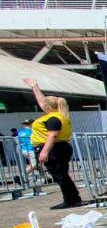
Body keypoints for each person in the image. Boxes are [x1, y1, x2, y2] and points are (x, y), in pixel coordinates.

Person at [22, 78, 84, 209]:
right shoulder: (59, 115)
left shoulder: (53, 118)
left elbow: (53, 135)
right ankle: (73, 198)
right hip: (59, 147)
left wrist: (44, 151)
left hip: (54, 149)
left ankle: (70, 200)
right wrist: (35, 88)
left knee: (60, 175)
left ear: (48, 107)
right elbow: (42, 102)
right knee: (62, 175)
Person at [17, 119, 47, 184]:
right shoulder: (32, 131)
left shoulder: (20, 131)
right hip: (31, 149)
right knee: (34, 165)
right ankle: (21, 177)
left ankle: (46, 178)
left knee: (38, 165)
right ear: (32, 124)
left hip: (24, 149)